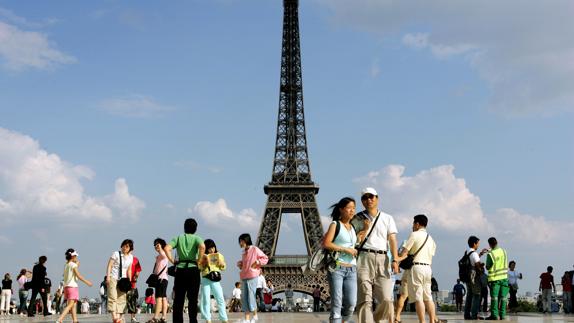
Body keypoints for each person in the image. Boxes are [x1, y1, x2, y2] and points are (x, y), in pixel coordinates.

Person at [352, 187, 398, 323]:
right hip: (364, 258)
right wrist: (365, 229)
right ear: (362, 201)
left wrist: (395, 260)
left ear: (377, 198)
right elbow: (355, 241)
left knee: (386, 298)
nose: (369, 200)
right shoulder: (357, 219)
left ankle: (377, 320)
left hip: (383, 258)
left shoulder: (387, 218)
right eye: (365, 198)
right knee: (365, 297)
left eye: (371, 197)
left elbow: (392, 240)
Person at [396, 214, 445, 323]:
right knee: (428, 297)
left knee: (418, 298)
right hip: (428, 269)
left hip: (416, 268)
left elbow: (404, 253)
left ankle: (422, 321)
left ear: (417, 224)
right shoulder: (431, 239)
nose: (412, 226)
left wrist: (396, 260)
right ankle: (432, 320)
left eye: (413, 223)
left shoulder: (414, 235)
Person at [323, 197, 358, 323]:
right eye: (349, 208)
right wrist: (346, 250)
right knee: (337, 303)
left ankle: (344, 321)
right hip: (337, 268)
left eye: (354, 208)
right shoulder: (335, 224)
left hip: (352, 269)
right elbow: (326, 243)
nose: (352, 211)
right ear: (341, 209)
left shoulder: (353, 227)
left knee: (351, 303)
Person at [164, 218, 205, 323]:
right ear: (195, 228)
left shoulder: (178, 238)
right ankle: (193, 320)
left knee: (178, 300)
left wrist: (173, 261)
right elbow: (202, 247)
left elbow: (167, 248)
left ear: (184, 227)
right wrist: (199, 261)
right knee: (193, 299)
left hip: (181, 270)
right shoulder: (197, 238)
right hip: (193, 270)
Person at [237, 233, 268, 323]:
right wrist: (240, 264)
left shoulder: (254, 249)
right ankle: (247, 318)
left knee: (251, 296)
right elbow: (245, 263)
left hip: (252, 276)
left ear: (246, 241)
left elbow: (265, 258)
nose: (240, 243)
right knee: (245, 297)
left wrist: (257, 262)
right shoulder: (243, 252)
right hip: (244, 276)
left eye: (241, 241)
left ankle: (254, 315)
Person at [55, 249, 93, 323]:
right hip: (72, 287)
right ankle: (60, 319)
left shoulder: (66, 265)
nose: (76, 257)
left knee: (74, 304)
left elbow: (70, 274)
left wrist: (76, 265)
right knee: (70, 305)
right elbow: (78, 276)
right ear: (72, 256)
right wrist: (87, 282)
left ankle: (75, 320)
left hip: (66, 287)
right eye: (75, 256)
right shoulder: (73, 265)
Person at [198, 239, 228, 323]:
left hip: (215, 279)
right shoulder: (203, 256)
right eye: (209, 249)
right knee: (206, 300)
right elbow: (199, 268)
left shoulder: (220, 255)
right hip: (206, 278)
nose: (212, 250)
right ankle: (208, 319)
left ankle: (224, 319)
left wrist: (222, 264)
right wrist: (204, 263)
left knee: (220, 298)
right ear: (206, 249)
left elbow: (224, 267)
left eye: (213, 248)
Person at [106, 239, 134, 323]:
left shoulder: (131, 257)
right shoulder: (116, 254)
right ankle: (114, 317)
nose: (125, 247)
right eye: (124, 245)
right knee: (113, 297)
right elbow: (109, 265)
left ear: (130, 248)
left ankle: (118, 317)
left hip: (124, 281)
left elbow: (129, 270)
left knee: (122, 299)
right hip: (114, 278)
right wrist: (108, 277)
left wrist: (129, 281)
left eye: (127, 246)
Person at [484, 237, 509, 320]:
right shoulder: (504, 251)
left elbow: (487, 266)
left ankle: (494, 315)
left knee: (494, 297)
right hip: (505, 278)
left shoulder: (490, 254)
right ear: (497, 242)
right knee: (504, 298)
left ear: (490, 244)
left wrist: (489, 253)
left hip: (495, 279)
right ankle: (502, 315)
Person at [463, 236, 487, 320]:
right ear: (474, 244)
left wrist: (480, 254)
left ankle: (466, 314)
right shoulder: (474, 254)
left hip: (467, 277)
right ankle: (474, 315)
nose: (478, 245)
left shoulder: (467, 252)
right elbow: (477, 265)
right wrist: (482, 266)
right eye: (478, 243)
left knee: (469, 295)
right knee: (477, 295)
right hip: (474, 277)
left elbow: (471, 261)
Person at [146, 238, 169, 323]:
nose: (156, 247)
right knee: (163, 298)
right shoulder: (159, 256)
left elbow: (164, 252)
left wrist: (161, 249)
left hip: (162, 279)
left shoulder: (163, 254)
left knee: (159, 298)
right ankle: (163, 317)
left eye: (158, 245)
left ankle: (156, 317)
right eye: (155, 245)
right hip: (162, 279)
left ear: (162, 245)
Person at [127, 254, 142, 323]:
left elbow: (138, 269)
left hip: (132, 283)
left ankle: (133, 318)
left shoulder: (135, 259)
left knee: (132, 301)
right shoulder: (121, 258)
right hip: (122, 282)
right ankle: (119, 317)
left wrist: (136, 275)